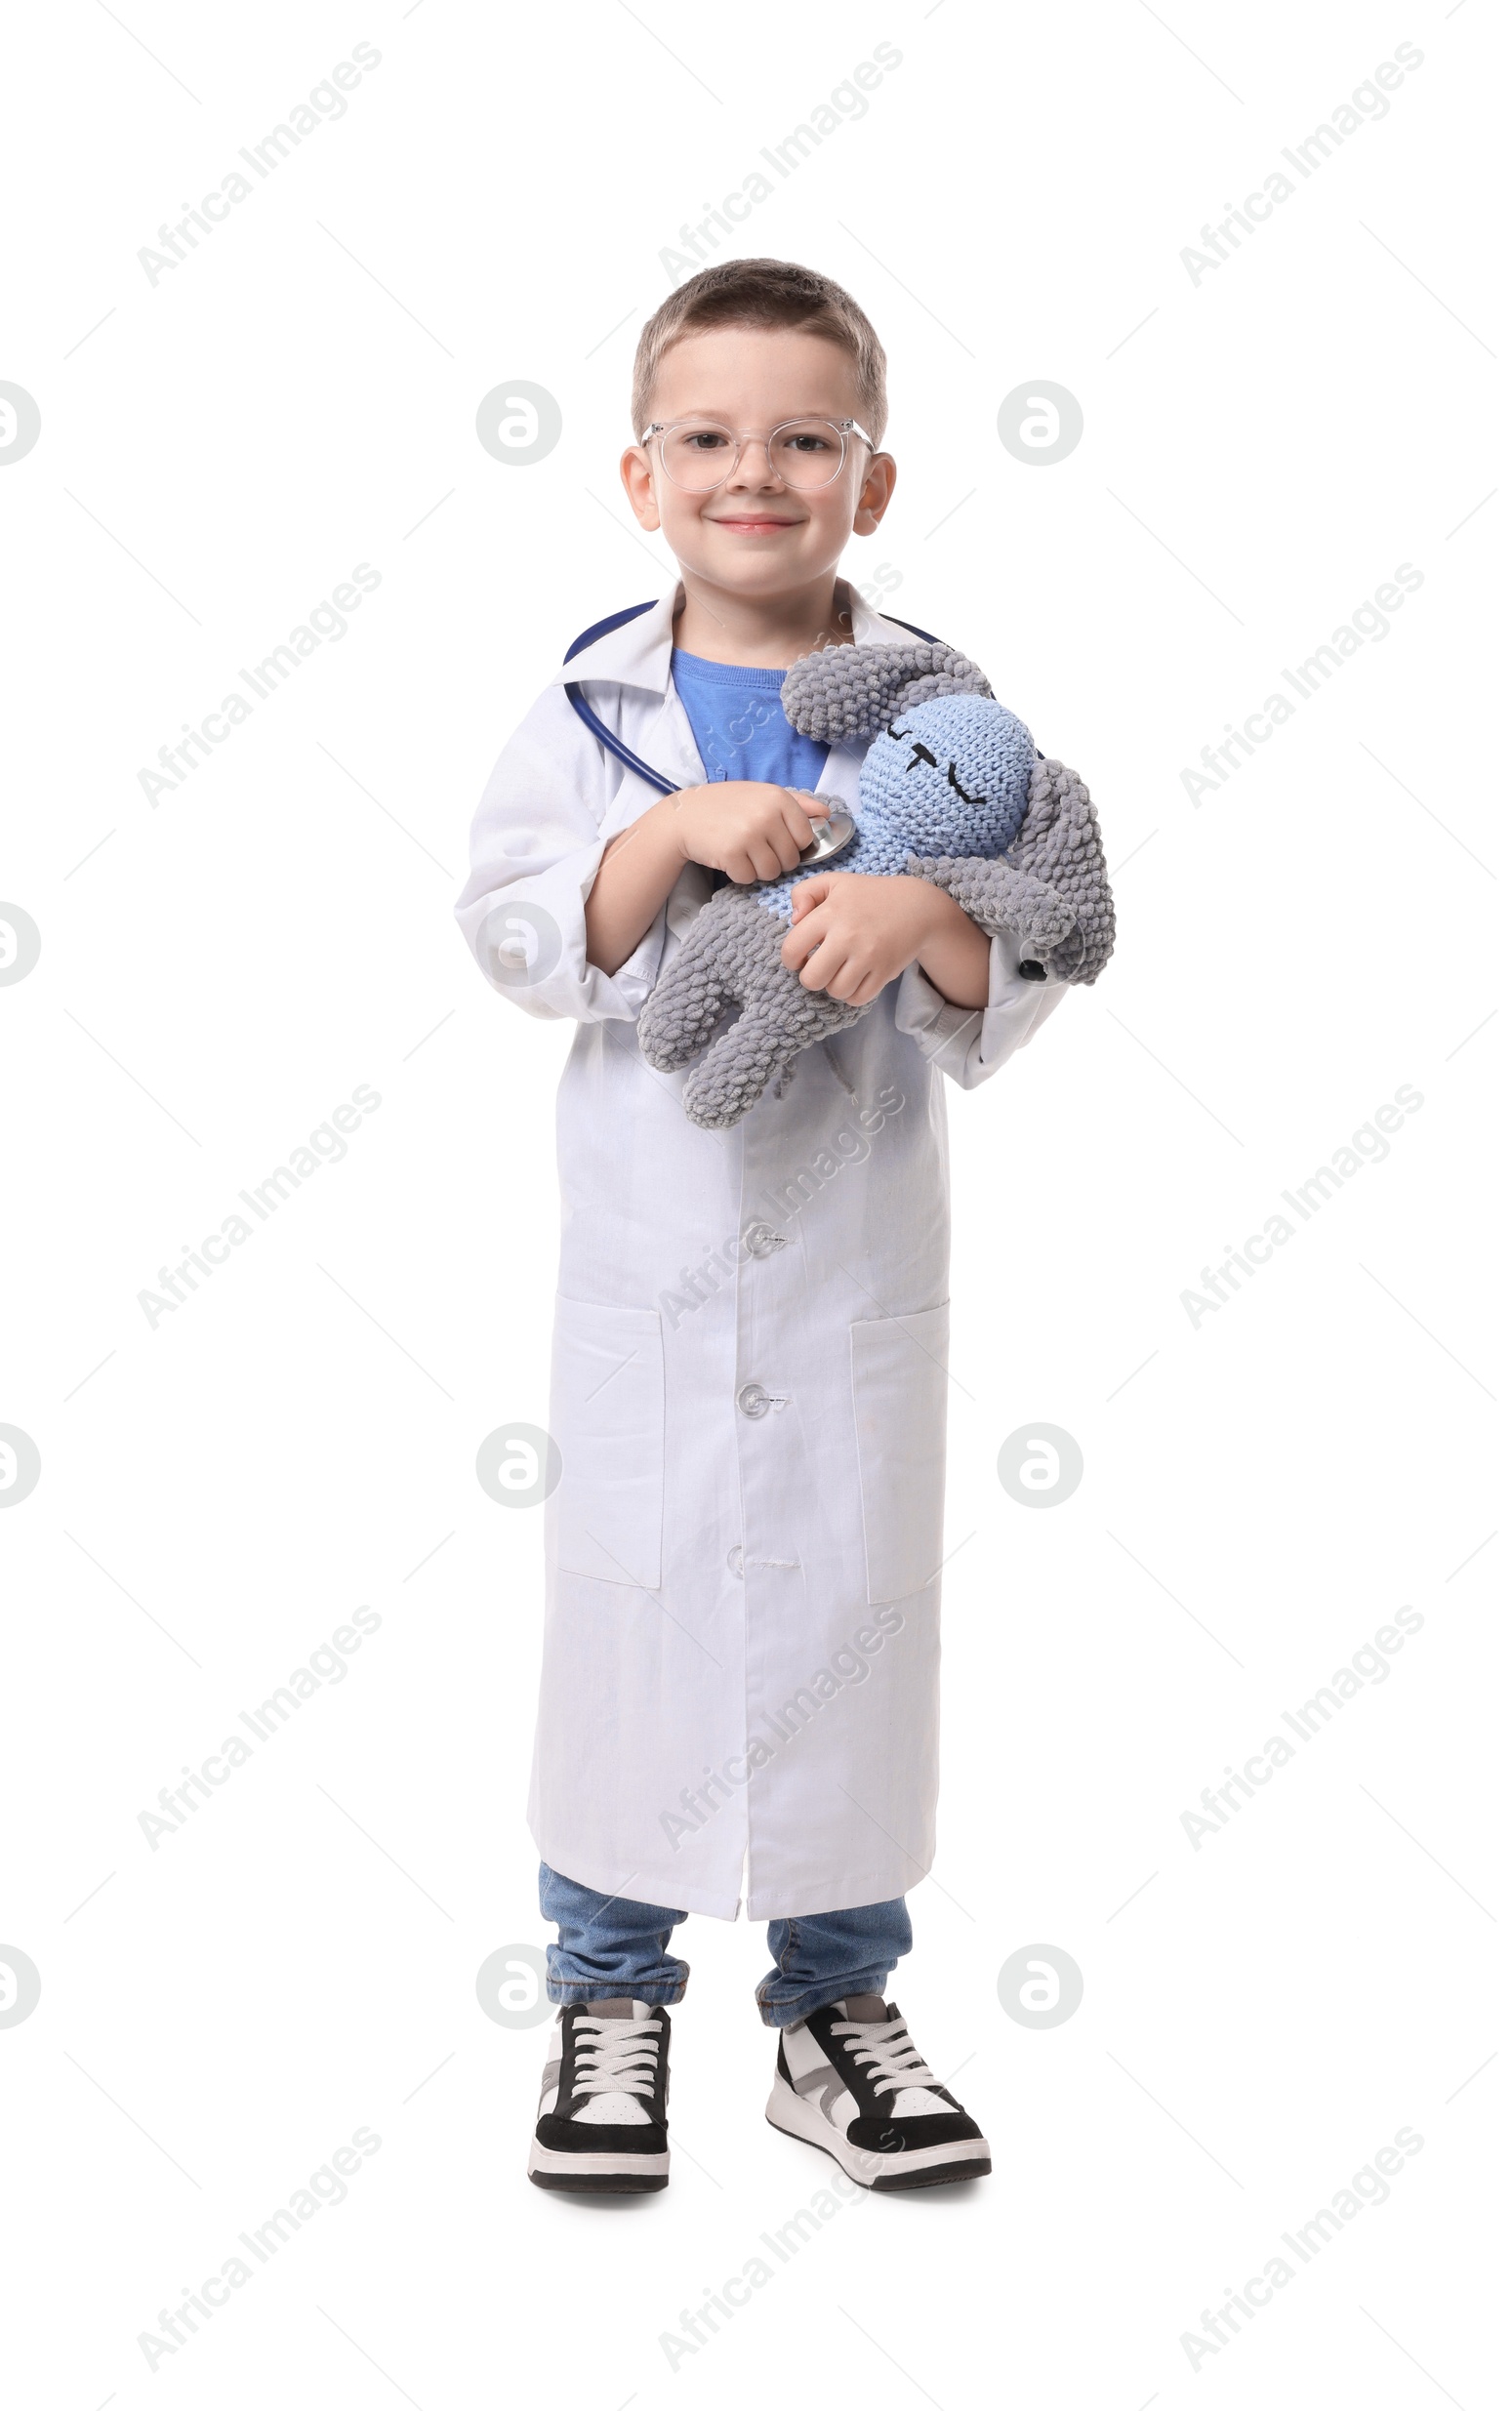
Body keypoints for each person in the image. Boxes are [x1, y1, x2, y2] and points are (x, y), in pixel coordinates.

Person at [455, 258, 1072, 2195]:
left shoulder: (943, 724)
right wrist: (662, 836)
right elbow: (508, 932)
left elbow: (1032, 942)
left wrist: (921, 923)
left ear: (867, 484)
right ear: (640, 478)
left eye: (805, 437)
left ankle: (832, 2012)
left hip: (847, 1278)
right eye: (707, 436)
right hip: (649, 1282)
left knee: (847, 1633)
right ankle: (605, 1988)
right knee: (623, 1632)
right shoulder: (584, 709)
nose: (755, 470)